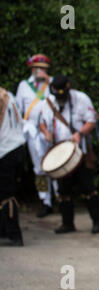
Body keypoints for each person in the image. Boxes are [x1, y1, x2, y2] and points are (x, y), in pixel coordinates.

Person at [39, 74, 99, 234]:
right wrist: (46, 132)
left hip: (79, 152)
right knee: (63, 192)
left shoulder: (81, 99)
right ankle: (67, 223)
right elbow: (41, 122)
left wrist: (80, 134)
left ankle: (97, 222)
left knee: (88, 189)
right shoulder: (48, 102)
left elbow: (92, 121)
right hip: (59, 153)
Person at [15, 53, 55, 218]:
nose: (39, 71)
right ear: (31, 69)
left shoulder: (52, 83)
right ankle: (45, 201)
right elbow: (18, 109)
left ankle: (61, 197)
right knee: (39, 168)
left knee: (56, 163)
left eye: (43, 69)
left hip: (52, 129)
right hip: (32, 131)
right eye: (36, 68)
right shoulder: (24, 86)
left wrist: (49, 82)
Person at [0, 87, 26, 246]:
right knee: (7, 192)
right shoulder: (8, 94)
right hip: (17, 147)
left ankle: (14, 234)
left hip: (5, 150)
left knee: (6, 194)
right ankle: (4, 231)